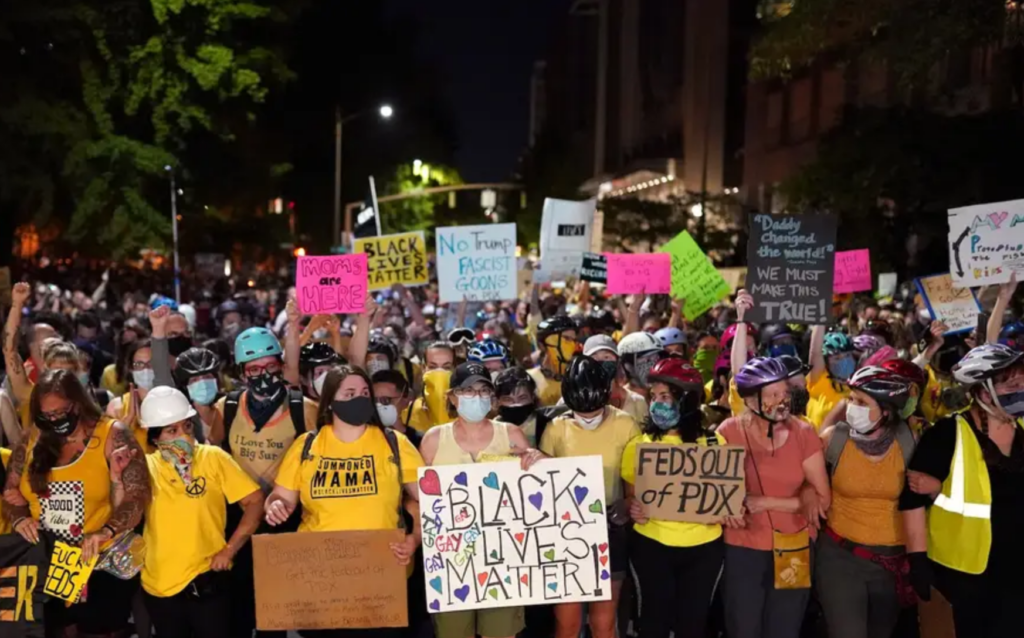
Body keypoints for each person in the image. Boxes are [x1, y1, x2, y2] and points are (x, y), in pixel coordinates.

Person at [264, 366, 422, 638]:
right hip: (322, 585)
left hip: (382, 581)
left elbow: (428, 502)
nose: (359, 399)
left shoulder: (394, 443)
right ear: (330, 401)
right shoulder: (307, 445)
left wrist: (415, 538)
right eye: (349, 393)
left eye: (364, 393)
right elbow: (279, 498)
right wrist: (275, 506)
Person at [3, 368, 151, 636]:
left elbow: (137, 496)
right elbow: (11, 493)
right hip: (46, 562)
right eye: (47, 416)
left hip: (97, 561)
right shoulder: (31, 438)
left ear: (78, 403)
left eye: (61, 412)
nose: (55, 420)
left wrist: (106, 531)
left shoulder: (112, 434)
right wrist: (19, 516)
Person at [900, 344, 1024, 637]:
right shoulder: (947, 434)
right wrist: (917, 560)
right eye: (1012, 384)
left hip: (1018, 570)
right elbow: (912, 500)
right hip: (967, 575)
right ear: (983, 392)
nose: (1020, 390)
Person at [419, 362, 541, 638]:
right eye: (468, 391)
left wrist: (540, 460)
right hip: (451, 562)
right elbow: (419, 498)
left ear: (492, 397)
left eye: (483, 390)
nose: (477, 396)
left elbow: (538, 490)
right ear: (452, 396)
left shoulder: (511, 435)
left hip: (503, 558)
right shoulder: (434, 440)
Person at [135, 386, 263, 638]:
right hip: (160, 587)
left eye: (187, 426)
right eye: (172, 430)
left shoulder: (213, 458)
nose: (184, 435)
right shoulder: (144, 467)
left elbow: (255, 502)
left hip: (208, 582)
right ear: (155, 438)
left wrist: (230, 549)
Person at [717, 357, 830, 638]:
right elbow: (714, 495)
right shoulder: (727, 432)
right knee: (743, 628)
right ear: (752, 401)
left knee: (785, 628)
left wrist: (766, 503)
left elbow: (822, 499)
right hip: (743, 548)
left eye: (784, 393)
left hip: (794, 546)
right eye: (773, 395)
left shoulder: (804, 432)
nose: (782, 401)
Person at [621, 358, 725, 638]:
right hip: (652, 548)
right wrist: (633, 508)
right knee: (652, 623)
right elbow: (632, 499)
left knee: (693, 625)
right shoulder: (639, 446)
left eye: (665, 396)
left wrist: (727, 511)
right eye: (653, 397)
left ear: (687, 400)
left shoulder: (716, 445)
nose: (656, 403)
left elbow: (726, 500)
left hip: (704, 549)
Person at [539, 355, 640, 638]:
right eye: (581, 414)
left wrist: (627, 504)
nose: (588, 418)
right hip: (565, 531)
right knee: (567, 624)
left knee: (604, 623)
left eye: (594, 412)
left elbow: (633, 484)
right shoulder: (556, 428)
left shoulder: (626, 424)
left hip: (610, 529)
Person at [817, 366, 917, 638]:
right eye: (851, 398)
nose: (851, 407)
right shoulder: (832, 440)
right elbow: (805, 478)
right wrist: (806, 491)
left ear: (885, 410)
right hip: (840, 557)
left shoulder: (910, 442)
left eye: (861, 402)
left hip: (892, 564)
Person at [807, 329, 856, 430]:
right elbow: (815, 352)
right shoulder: (820, 380)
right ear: (826, 362)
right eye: (837, 358)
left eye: (847, 355)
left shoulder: (858, 385)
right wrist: (820, 319)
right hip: (815, 442)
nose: (844, 361)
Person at [174, 347, 223, 439]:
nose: (203, 383)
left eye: (207, 377)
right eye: (195, 380)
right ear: (185, 386)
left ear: (216, 380)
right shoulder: (181, 419)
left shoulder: (229, 408)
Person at [530, 316, 578, 407]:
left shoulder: (578, 379)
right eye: (566, 339)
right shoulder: (529, 378)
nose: (572, 345)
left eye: (574, 340)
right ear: (542, 345)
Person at [373, 369, 421, 447]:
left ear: (405, 399)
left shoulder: (419, 442)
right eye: (374, 400)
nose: (379, 405)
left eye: (386, 400)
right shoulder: (365, 438)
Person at [617, 331, 665, 400]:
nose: (653, 364)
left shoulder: (666, 394)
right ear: (628, 366)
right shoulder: (621, 399)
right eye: (647, 359)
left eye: (655, 358)